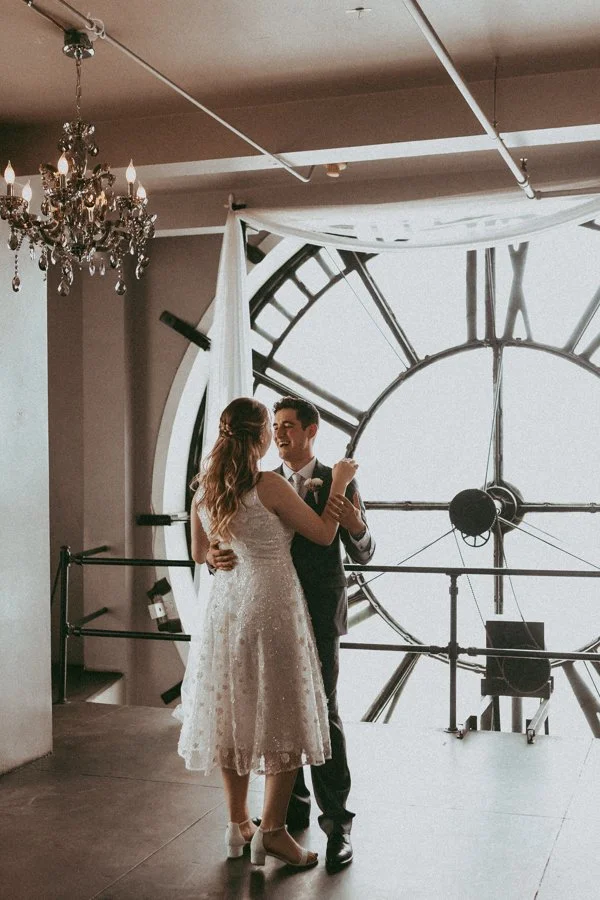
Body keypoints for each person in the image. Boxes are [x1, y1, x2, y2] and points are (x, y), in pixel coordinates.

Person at [175, 396, 358, 870]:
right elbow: (321, 534)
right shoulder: (269, 484)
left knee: (232, 713)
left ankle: (238, 826)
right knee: (288, 712)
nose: (277, 435)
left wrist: (217, 554)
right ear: (260, 436)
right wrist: (338, 481)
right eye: (271, 428)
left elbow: (200, 552)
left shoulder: (204, 488)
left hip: (226, 611)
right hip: (272, 606)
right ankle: (272, 832)